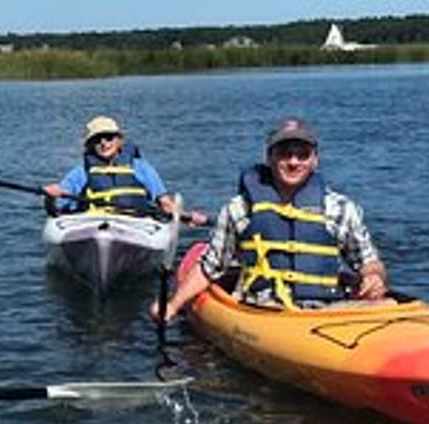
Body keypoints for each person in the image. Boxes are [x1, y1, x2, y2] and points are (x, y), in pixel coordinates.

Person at [152, 117, 388, 323]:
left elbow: (368, 261)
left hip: (326, 312)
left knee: (388, 306)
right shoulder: (239, 209)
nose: (293, 162)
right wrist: (172, 306)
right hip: (263, 310)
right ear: (269, 157)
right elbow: (210, 268)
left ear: (315, 160)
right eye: (284, 153)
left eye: (303, 154)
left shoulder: (342, 209)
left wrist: (373, 277)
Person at [43, 116, 205, 224]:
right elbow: (55, 209)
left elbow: (165, 203)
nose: (104, 143)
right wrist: (50, 197)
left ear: (120, 140)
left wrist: (185, 216)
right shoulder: (81, 173)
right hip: (93, 224)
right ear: (90, 145)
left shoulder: (141, 168)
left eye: (109, 137)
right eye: (97, 139)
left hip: (134, 224)